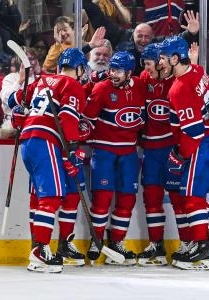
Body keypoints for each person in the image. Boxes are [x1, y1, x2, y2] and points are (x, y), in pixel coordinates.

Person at [7, 48, 89, 273]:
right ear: (79, 69)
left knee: (39, 198)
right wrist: (69, 153)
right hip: (46, 141)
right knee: (51, 198)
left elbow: (14, 101)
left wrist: (18, 113)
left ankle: (39, 247)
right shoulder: (73, 86)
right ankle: (40, 252)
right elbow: (68, 120)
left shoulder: (42, 80)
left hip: (28, 141)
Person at [158, 36, 209, 270]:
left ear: (176, 58)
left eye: (164, 59)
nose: (160, 64)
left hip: (202, 143)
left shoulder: (179, 88)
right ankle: (197, 244)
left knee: (192, 195)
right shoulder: (197, 70)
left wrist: (179, 155)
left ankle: (202, 251)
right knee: (188, 194)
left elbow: (194, 132)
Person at [81, 51, 146, 265]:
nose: (113, 74)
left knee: (127, 199)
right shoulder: (101, 89)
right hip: (104, 152)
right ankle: (96, 240)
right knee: (102, 200)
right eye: (111, 69)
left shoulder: (140, 86)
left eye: (118, 70)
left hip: (129, 153)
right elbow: (87, 120)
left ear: (129, 72)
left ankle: (117, 242)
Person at [136, 42, 180, 266]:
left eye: (151, 63)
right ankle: (156, 245)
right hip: (151, 149)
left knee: (179, 198)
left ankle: (189, 244)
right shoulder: (144, 78)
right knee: (151, 198)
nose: (148, 67)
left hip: (172, 149)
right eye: (145, 63)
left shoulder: (176, 80)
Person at [83, 1, 200, 75]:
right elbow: (100, 20)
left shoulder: (157, 43)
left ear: (152, 38)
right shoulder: (122, 36)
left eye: (147, 37)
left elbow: (175, 41)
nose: (143, 40)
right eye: (139, 36)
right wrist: (86, 3)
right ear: (133, 34)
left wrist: (190, 33)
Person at [0, 47, 43, 139]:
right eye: (28, 59)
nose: (32, 62)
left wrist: (41, 73)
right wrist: (20, 80)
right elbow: (6, 99)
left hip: (33, 124)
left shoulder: (40, 78)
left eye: (33, 59)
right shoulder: (11, 78)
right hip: (11, 125)